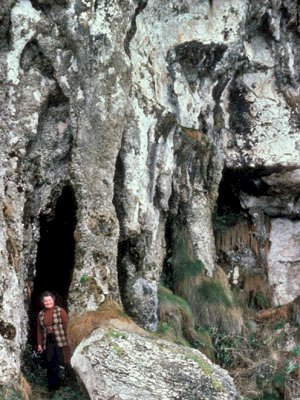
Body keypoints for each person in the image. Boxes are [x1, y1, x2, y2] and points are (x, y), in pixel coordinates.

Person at [37, 291, 70, 391]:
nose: (48, 302)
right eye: (45, 301)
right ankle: (53, 386)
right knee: (51, 363)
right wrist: (39, 344)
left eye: (49, 300)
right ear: (43, 302)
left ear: (53, 300)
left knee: (63, 362)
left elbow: (67, 326)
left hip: (61, 340)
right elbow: (39, 330)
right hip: (48, 341)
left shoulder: (60, 311)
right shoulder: (41, 314)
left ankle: (66, 385)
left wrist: (70, 341)